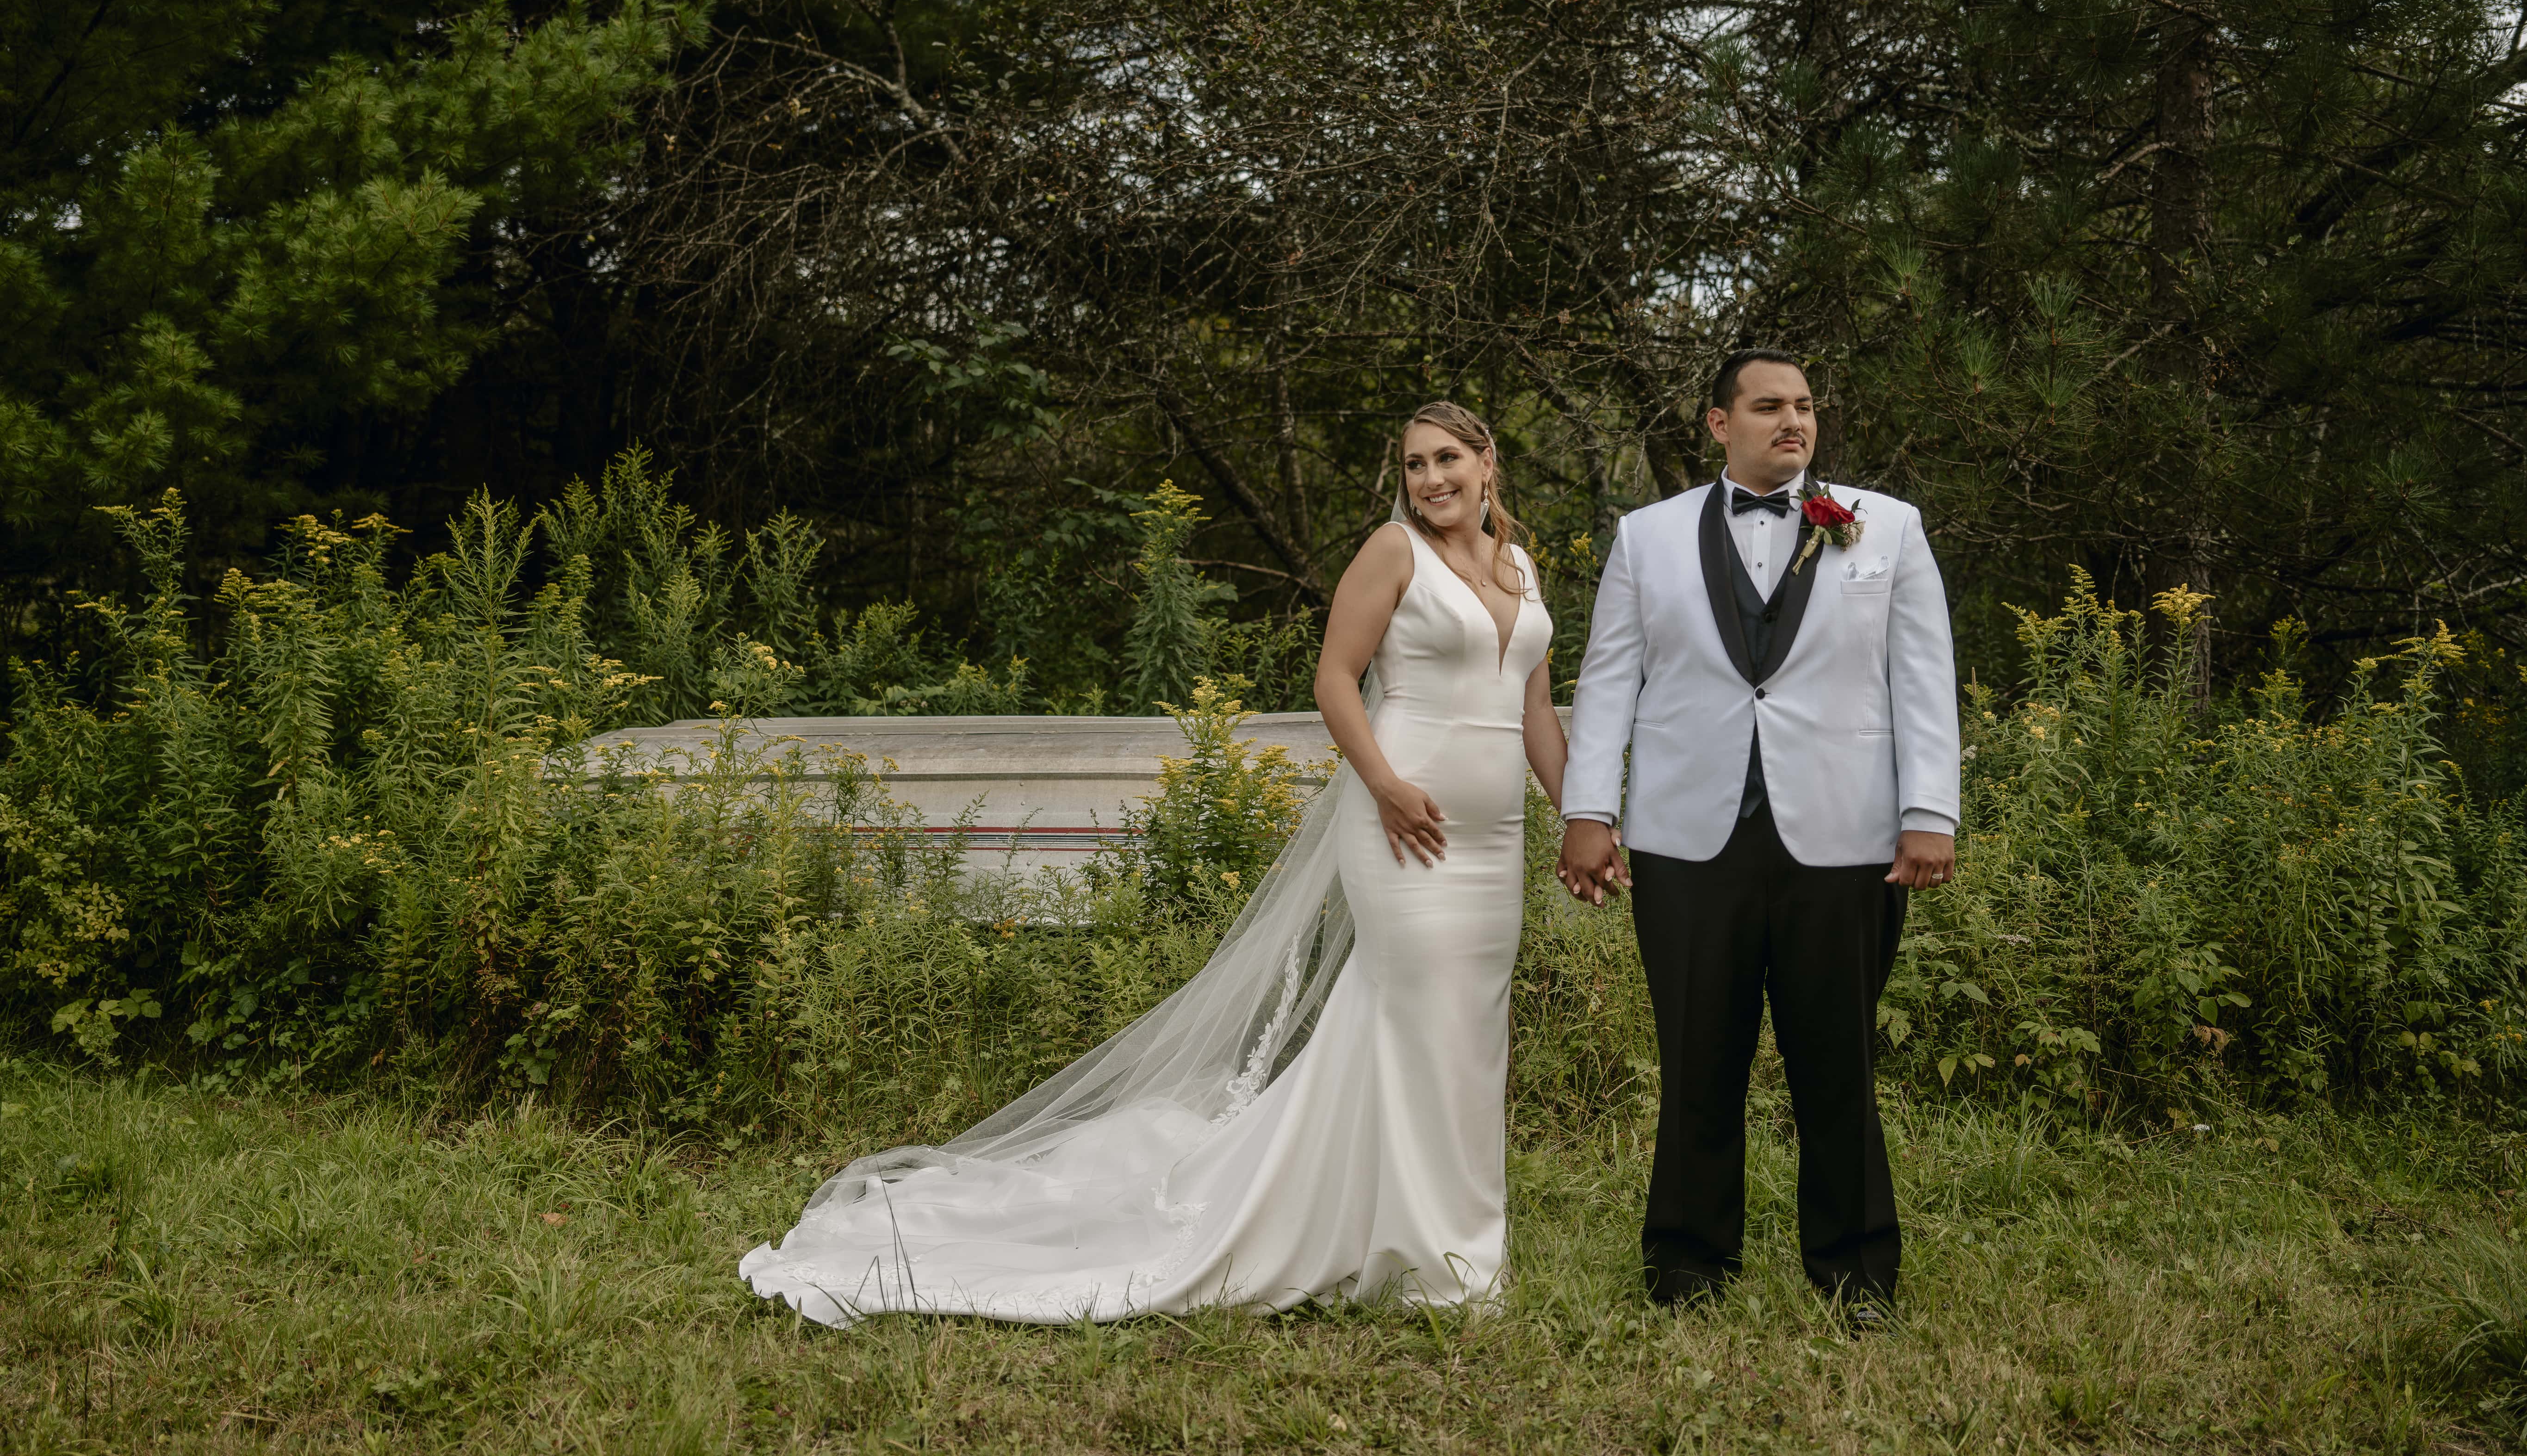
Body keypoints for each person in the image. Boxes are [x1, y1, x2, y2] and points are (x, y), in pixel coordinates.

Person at [739, 400, 1565, 1324]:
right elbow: (1336, 677)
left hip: (1493, 843)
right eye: (1414, 464)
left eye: (1447, 458)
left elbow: (1533, 710)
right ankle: (1429, 1262)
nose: (1430, 479)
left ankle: (1437, 1234)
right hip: (1403, 825)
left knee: (1467, 1037)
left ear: (1488, 462)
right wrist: (1383, 782)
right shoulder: (1391, 551)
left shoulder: (1519, 567)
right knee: (1414, 1024)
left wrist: (1584, 815)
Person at [1557, 348, 1960, 1318]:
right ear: (1717, 422)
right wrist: (1587, 809)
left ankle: (1857, 1274)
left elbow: (1922, 675)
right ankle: (1686, 1268)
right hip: (1688, 840)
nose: (1794, 421)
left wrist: (1929, 811)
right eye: (1770, 405)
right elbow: (1609, 677)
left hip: (1847, 835)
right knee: (1697, 1060)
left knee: (1838, 1062)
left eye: (1806, 406)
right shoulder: (1646, 536)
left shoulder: (1886, 527)